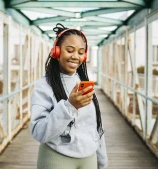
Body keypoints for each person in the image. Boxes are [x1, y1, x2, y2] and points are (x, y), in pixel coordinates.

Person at [30, 23, 108, 169]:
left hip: (88, 158)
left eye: (80, 52)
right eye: (70, 50)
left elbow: (94, 125)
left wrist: (102, 161)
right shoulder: (44, 86)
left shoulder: (83, 83)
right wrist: (69, 106)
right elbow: (38, 132)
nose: (75, 56)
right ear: (56, 52)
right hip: (56, 158)